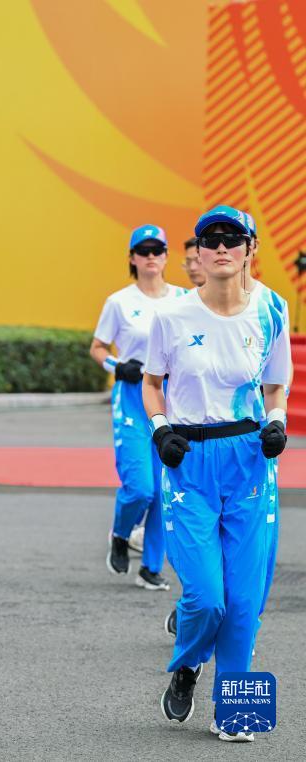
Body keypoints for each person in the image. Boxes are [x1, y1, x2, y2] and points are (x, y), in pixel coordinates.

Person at [146, 205, 291, 742]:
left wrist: (274, 423)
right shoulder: (173, 317)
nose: (223, 246)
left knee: (245, 596)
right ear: (199, 253)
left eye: (234, 238)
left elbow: (275, 387)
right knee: (207, 595)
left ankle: (237, 713)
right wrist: (161, 429)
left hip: (250, 460)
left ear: (251, 248)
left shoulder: (273, 309)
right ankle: (187, 664)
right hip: (189, 463)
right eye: (212, 238)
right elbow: (152, 383)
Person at [90, 225, 185, 591]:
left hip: (171, 400)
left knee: (164, 488)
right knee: (141, 487)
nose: (150, 256)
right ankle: (120, 532)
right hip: (131, 397)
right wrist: (116, 366)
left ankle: (150, 567)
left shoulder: (183, 299)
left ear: (165, 256)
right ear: (132, 257)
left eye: (157, 250)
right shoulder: (119, 302)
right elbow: (98, 346)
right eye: (142, 250)